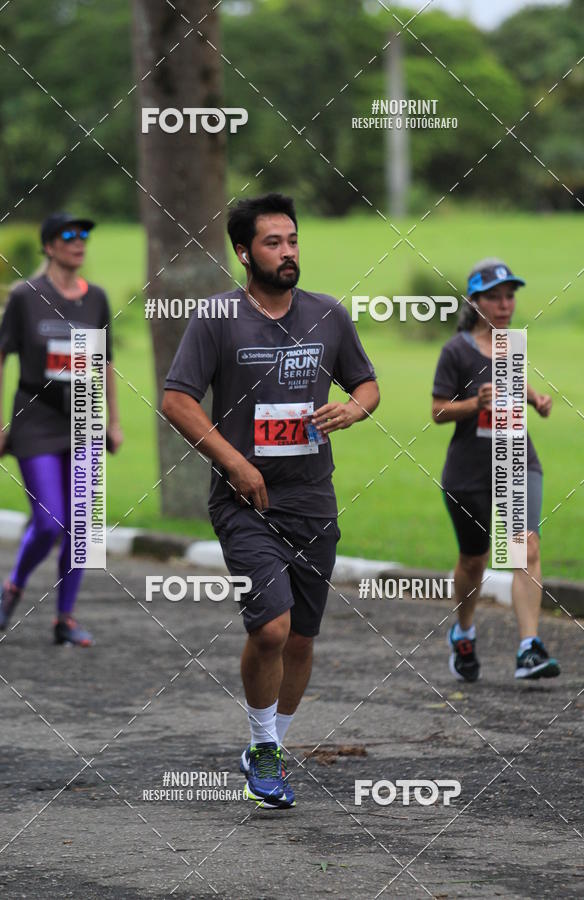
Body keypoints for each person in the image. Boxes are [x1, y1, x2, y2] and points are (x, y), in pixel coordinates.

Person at [162, 193, 379, 808]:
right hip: (245, 500)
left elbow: (367, 384)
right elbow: (176, 400)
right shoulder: (217, 318)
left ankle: (272, 747)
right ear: (243, 253)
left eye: (293, 240)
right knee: (271, 629)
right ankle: (261, 747)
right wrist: (233, 462)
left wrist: (353, 408)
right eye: (272, 243)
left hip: (312, 497)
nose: (287, 253)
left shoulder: (327, 315)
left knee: (302, 638)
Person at [432, 258, 559, 683]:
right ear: (475, 302)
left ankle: (529, 648)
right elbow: (438, 411)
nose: (505, 305)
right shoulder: (455, 351)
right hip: (468, 472)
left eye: (510, 296)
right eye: (495, 297)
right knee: (474, 560)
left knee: (526, 547)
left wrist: (535, 399)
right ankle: (464, 632)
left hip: (517, 460)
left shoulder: (511, 344)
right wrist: (475, 403)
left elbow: (512, 382)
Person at [0, 212, 123, 644]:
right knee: (50, 520)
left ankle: (65, 619)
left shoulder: (96, 299)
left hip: (84, 418)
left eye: (84, 234)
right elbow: (2, 355)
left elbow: (104, 364)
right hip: (35, 418)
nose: (79, 241)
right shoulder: (25, 296)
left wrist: (113, 421)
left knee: (83, 527)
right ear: (49, 246)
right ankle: (13, 587)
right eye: (69, 235)